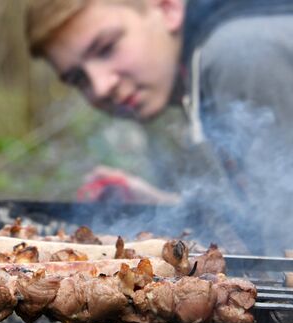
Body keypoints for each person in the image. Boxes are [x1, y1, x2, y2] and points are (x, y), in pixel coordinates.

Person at [25, 0, 293, 255]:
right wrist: (163, 204)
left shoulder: (239, 53)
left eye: (106, 48)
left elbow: (285, 240)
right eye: (78, 78)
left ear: (167, 8)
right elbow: (261, 216)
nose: (100, 86)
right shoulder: (207, 60)